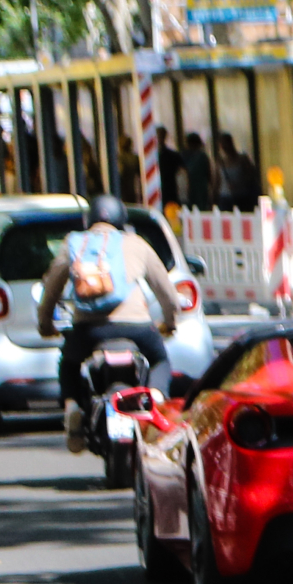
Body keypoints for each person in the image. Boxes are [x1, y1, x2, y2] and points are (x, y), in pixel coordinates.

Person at [37, 194, 179, 453]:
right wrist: (170, 322)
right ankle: (156, 398)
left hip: (88, 330)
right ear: (121, 219)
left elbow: (51, 289)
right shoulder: (136, 244)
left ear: (89, 219)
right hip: (137, 328)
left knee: (68, 364)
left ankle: (72, 408)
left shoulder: (74, 243)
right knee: (160, 359)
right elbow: (167, 293)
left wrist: (45, 323)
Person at [183, 132, 214, 211]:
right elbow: (209, 175)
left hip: (192, 188)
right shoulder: (202, 156)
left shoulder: (185, 156)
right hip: (201, 189)